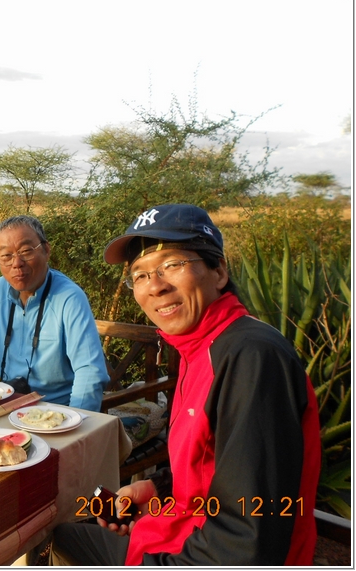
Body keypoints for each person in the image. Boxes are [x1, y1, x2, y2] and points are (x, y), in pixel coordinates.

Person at [50, 203, 321, 566]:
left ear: (219, 271)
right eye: (140, 275)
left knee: (53, 534)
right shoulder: (200, 347)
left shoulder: (251, 358)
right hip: (175, 528)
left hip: (195, 552)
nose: (156, 286)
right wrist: (160, 488)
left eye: (172, 265)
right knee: (58, 530)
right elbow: (214, 465)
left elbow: (245, 544)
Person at [0, 215, 109, 412]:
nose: (17, 263)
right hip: (5, 405)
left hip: (55, 411)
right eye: (6, 256)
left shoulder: (69, 298)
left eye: (26, 251)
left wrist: (74, 422)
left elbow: (90, 371)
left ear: (46, 250)